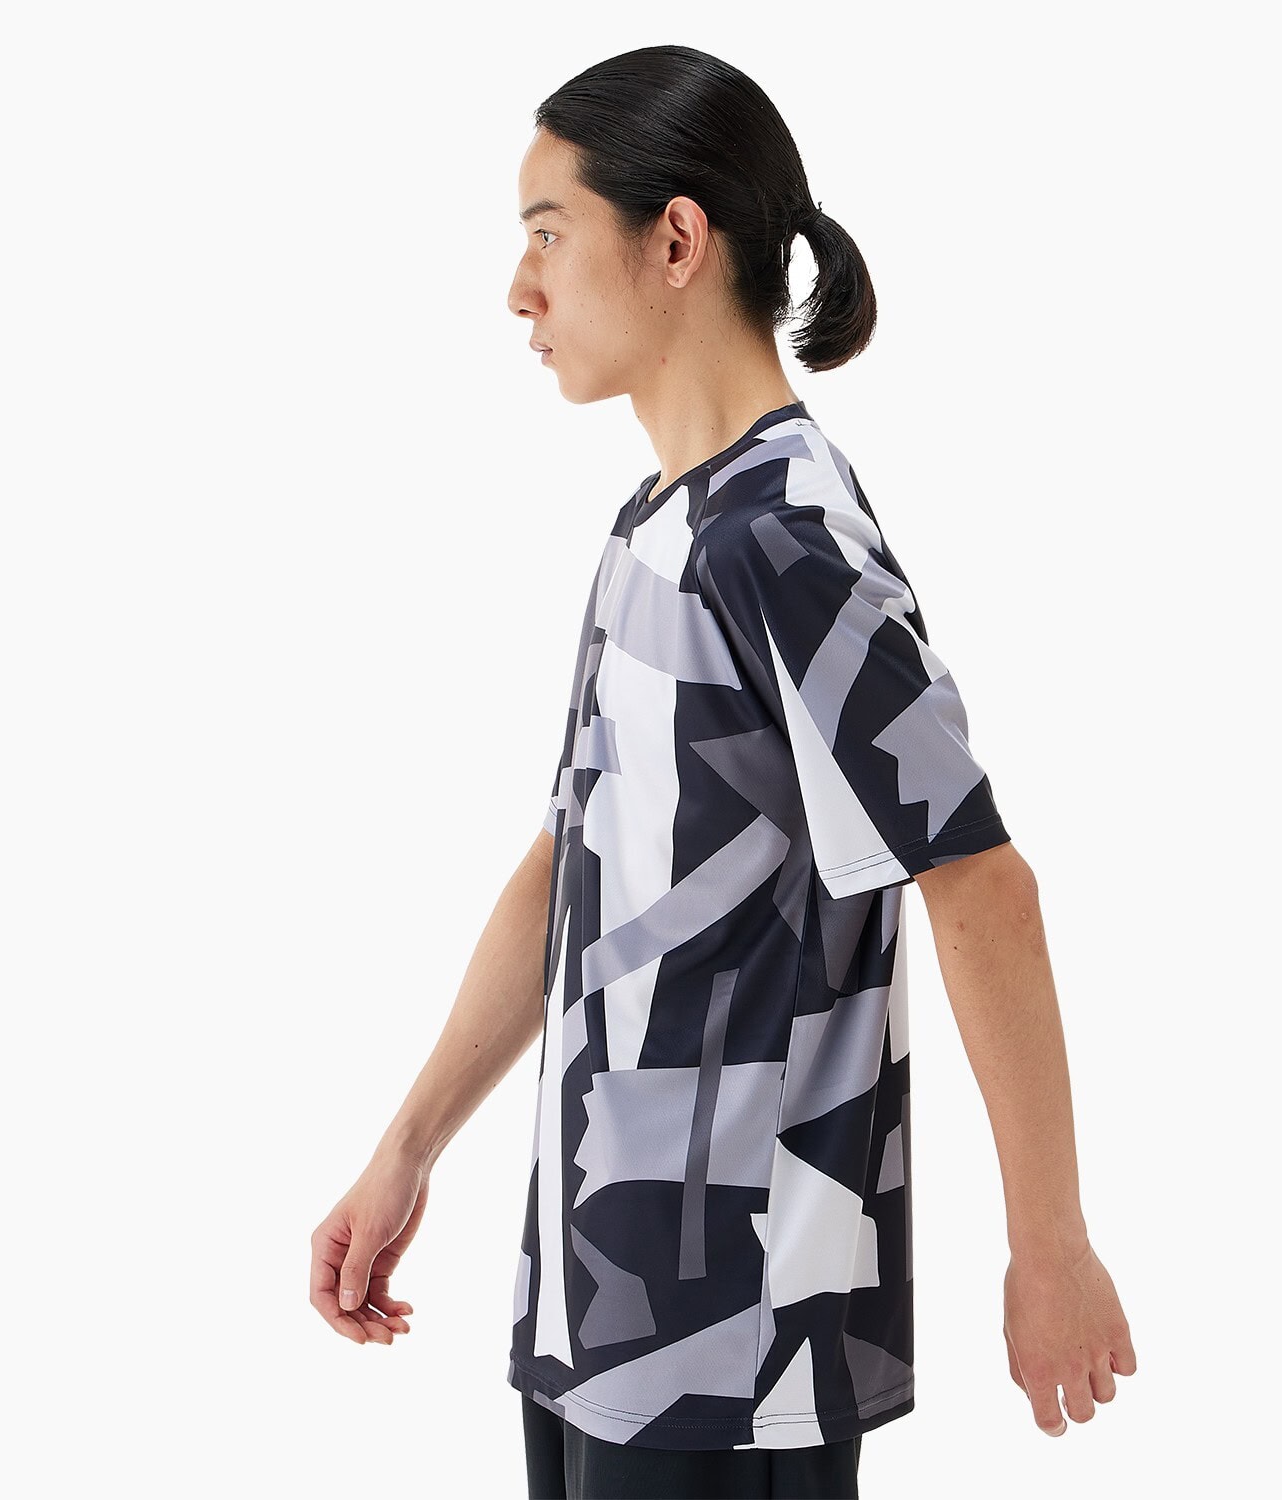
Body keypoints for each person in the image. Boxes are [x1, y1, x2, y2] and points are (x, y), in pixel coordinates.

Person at [309, 44, 1137, 1500]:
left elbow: (978, 880)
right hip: (597, 1317)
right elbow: (569, 860)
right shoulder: (661, 525)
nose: (519, 290)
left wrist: (1049, 1245)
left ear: (676, 239)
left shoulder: (784, 535)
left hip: (736, 1348)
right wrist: (407, 1149)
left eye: (548, 234)